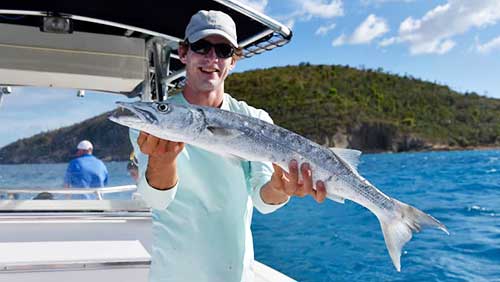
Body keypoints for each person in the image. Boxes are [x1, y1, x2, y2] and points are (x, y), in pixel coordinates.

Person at [130, 10, 327, 282]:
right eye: (202, 47)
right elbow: (157, 200)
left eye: (223, 50)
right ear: (184, 53)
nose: (212, 59)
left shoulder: (255, 119)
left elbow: (263, 198)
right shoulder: (155, 120)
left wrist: (281, 188)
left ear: (233, 61)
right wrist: (163, 162)